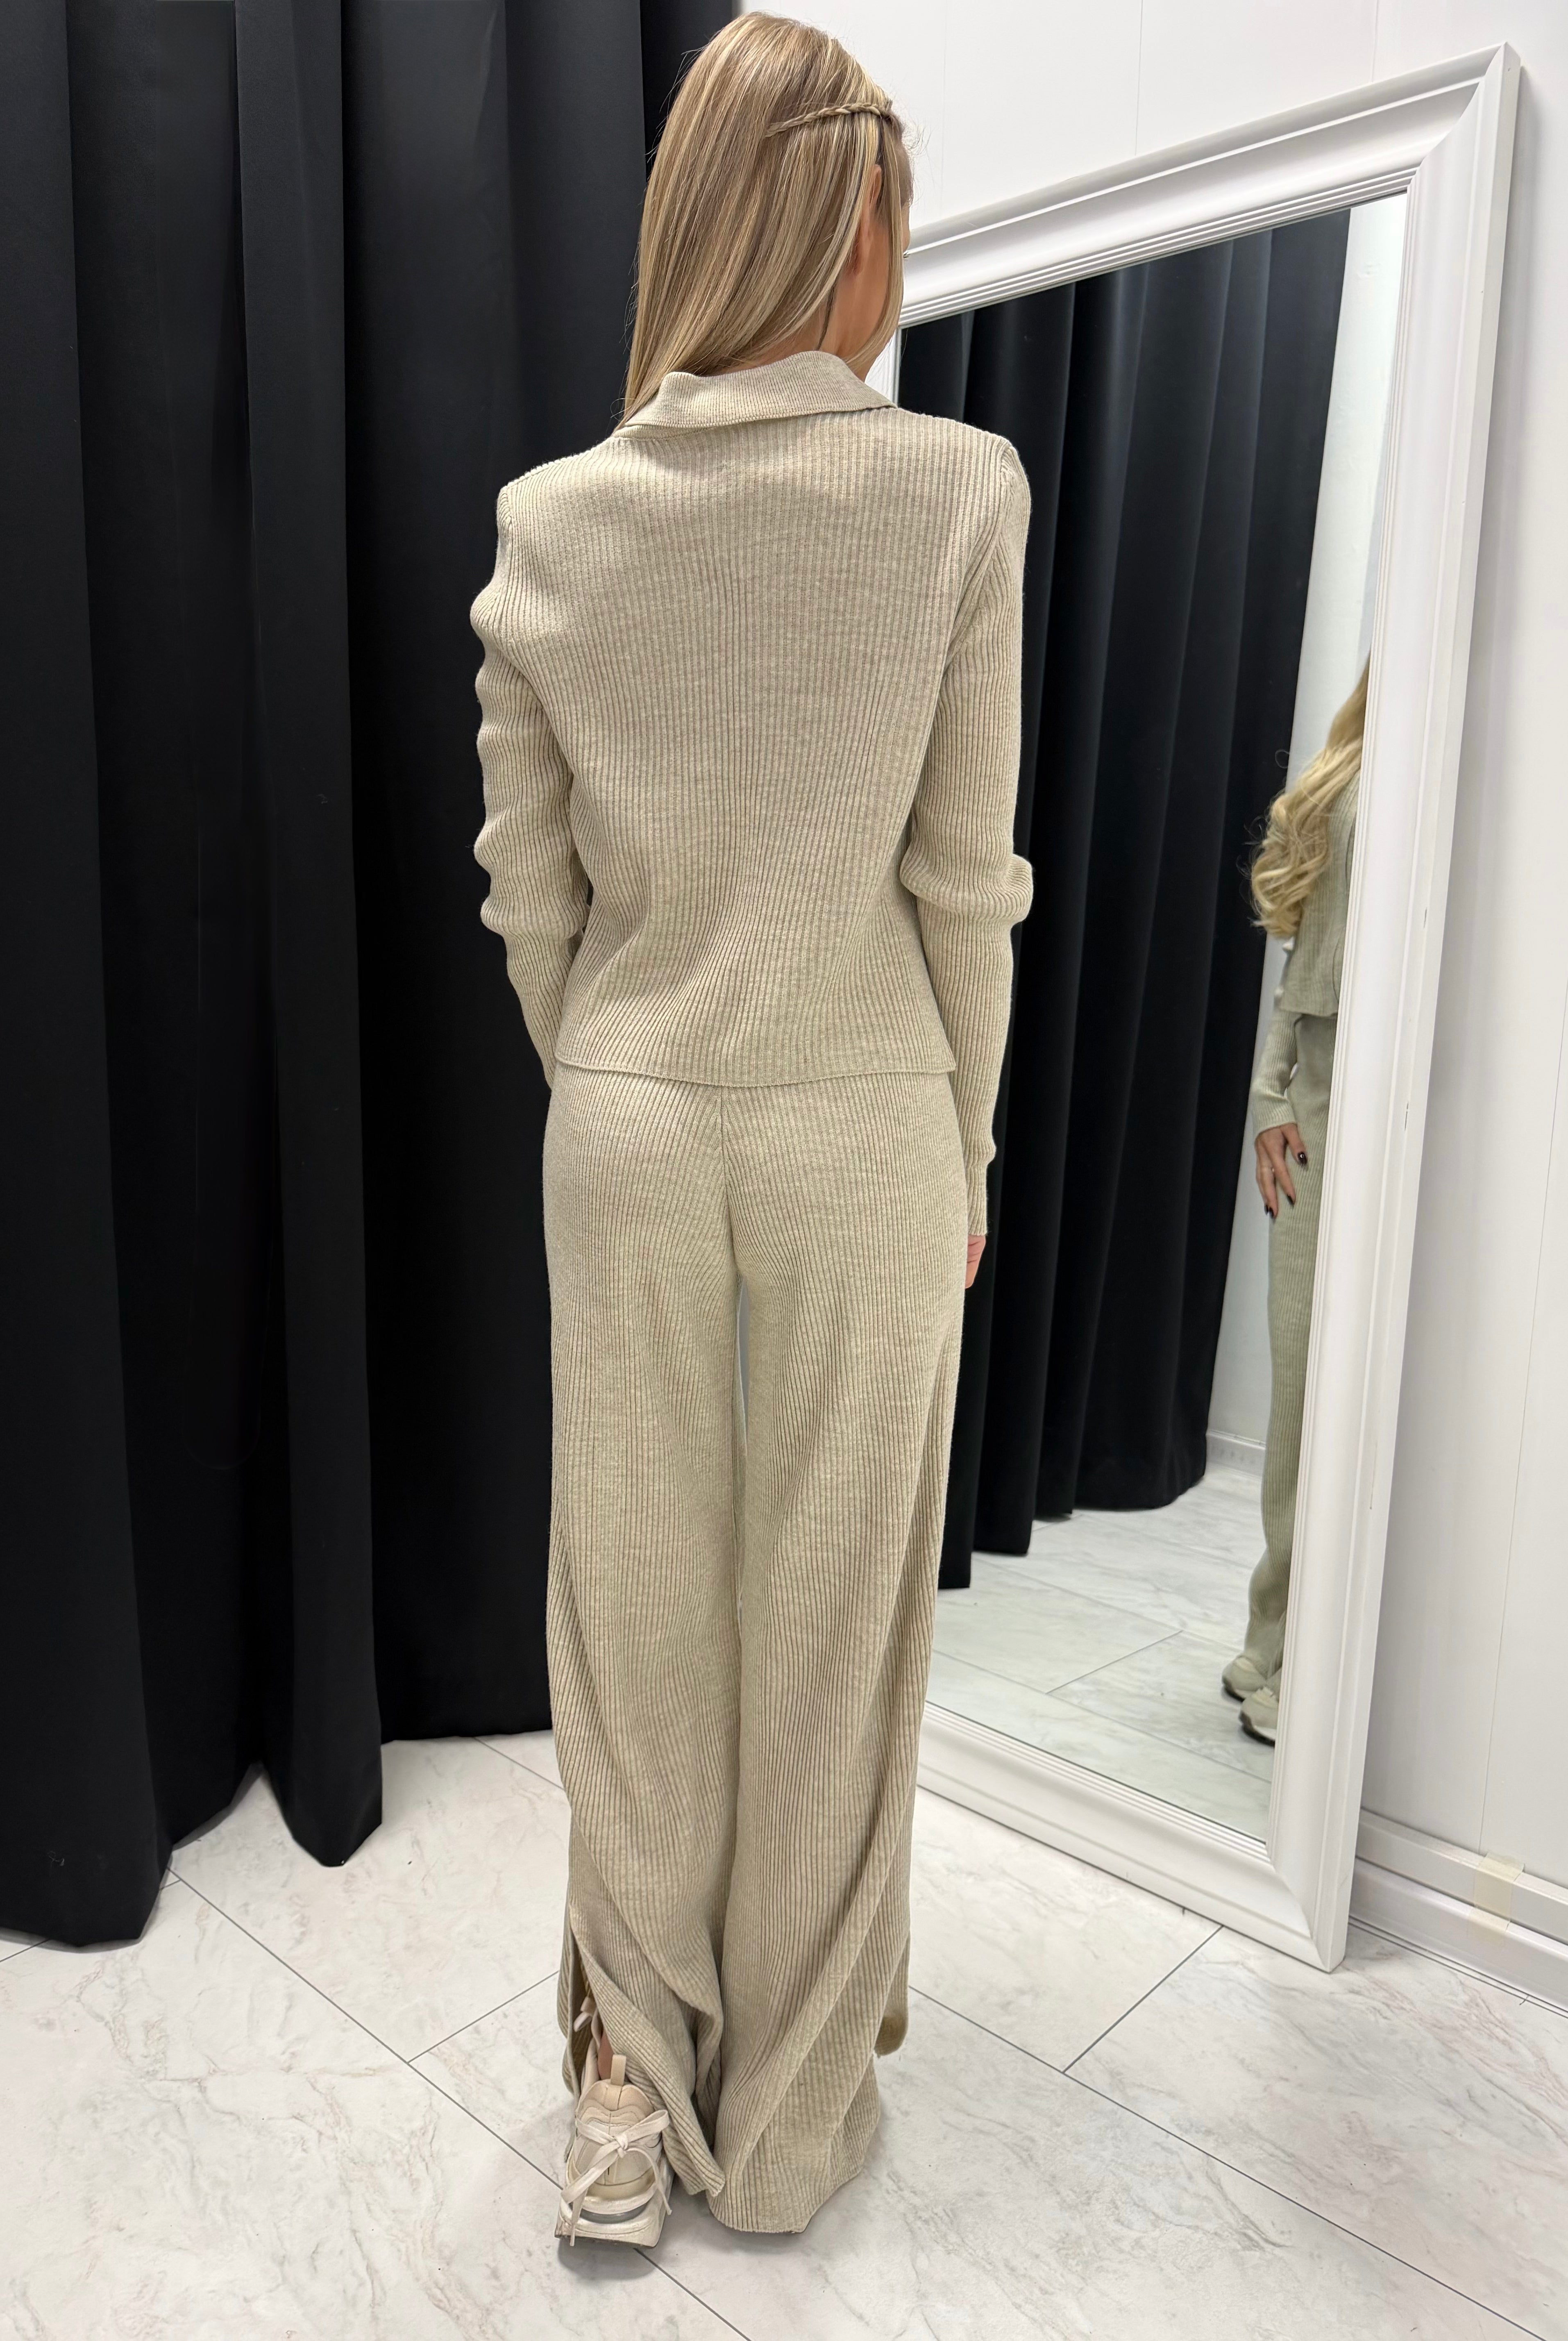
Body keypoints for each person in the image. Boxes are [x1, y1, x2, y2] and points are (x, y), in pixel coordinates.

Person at [470, 15, 1032, 2246]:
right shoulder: (959, 495)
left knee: (629, 1614)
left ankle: (626, 2093)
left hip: (625, 1120)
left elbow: (530, 896)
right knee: (827, 1628)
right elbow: (962, 882)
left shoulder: (551, 524)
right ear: (851, 220)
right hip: (866, 1112)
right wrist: (966, 1144)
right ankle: (786, 2126)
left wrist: (613, 1071)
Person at [1224, 663, 1367, 1745]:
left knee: (1369, 1404)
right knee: (1301, 1388)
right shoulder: (1347, 775)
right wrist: (1270, 1093)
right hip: (1319, 1097)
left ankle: (1322, 1657)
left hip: (1423, 1108)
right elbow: (1299, 953)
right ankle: (1276, 1635)